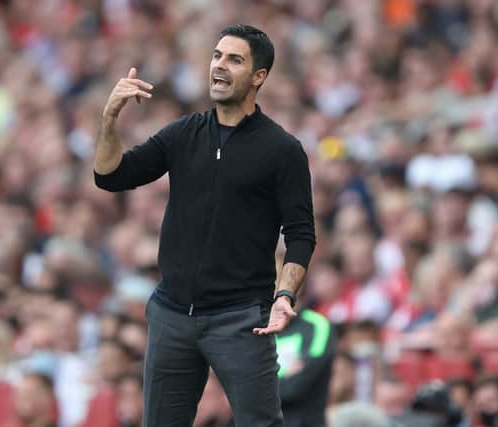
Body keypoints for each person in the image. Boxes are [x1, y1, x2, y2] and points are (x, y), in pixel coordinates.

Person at [94, 23, 315, 427]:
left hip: (242, 319)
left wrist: (284, 296)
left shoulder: (282, 151)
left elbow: (300, 233)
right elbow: (111, 176)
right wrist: (110, 118)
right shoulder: (184, 134)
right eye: (216, 56)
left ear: (258, 76)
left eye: (234, 59)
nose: (220, 66)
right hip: (172, 314)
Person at [276, 306, 336, 427]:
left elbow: (294, 387)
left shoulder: (317, 325)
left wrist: (262, 382)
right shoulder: (256, 326)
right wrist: (285, 374)